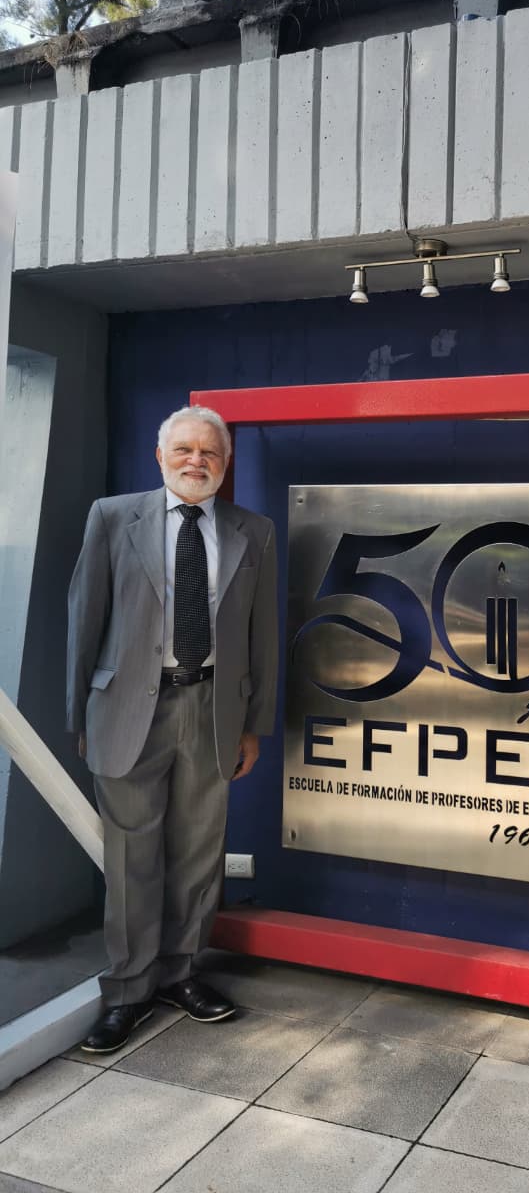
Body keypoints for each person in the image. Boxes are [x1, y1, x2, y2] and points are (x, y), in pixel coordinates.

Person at [67, 406, 278, 1053]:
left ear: (225, 462)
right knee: (132, 860)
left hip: (212, 710)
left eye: (209, 453)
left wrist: (254, 728)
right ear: (160, 458)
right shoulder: (112, 517)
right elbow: (84, 619)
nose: (196, 462)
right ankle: (128, 991)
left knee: (196, 853)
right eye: (183, 450)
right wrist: (79, 719)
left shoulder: (254, 532)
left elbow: (262, 637)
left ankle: (181, 974)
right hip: (128, 711)